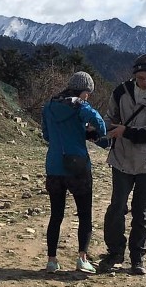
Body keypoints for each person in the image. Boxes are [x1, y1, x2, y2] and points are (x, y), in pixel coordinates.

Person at [97, 54, 146, 275]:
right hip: (121, 158)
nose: (143, 81)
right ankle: (114, 252)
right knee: (116, 209)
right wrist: (102, 129)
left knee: (142, 212)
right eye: (140, 77)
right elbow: (109, 117)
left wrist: (126, 131)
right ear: (134, 75)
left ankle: (137, 258)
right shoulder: (121, 91)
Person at [41, 71, 107, 274]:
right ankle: (82, 258)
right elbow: (102, 127)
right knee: (85, 214)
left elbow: (46, 135)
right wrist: (87, 131)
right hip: (78, 167)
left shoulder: (50, 106)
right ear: (84, 91)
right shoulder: (81, 106)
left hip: (54, 166)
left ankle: (52, 261)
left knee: (56, 215)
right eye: (88, 93)